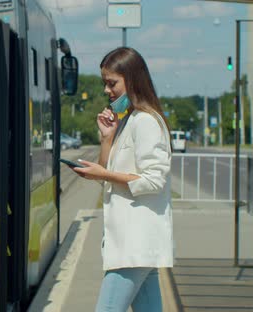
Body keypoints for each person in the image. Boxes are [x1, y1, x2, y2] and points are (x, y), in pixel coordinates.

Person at [72, 47, 173, 312]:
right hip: (133, 243)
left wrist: (103, 174)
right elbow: (106, 175)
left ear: (133, 79)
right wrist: (107, 138)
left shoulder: (146, 122)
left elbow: (154, 180)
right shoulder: (128, 121)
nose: (107, 90)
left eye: (112, 83)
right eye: (105, 83)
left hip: (135, 243)